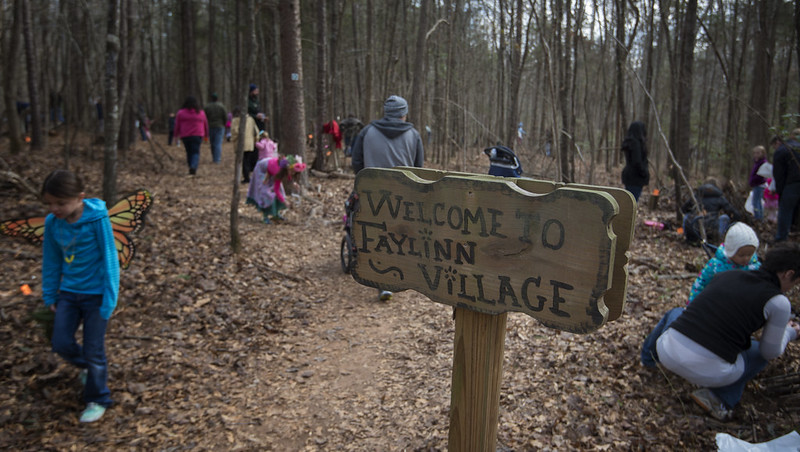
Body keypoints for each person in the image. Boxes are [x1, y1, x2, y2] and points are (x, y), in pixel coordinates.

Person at [640, 242, 800, 421]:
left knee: (677, 312)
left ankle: (648, 358)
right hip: (710, 373)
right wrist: (790, 332)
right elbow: (770, 351)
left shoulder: (727, 275)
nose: (791, 288)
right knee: (758, 352)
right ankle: (720, 398)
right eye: (795, 283)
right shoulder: (778, 302)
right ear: (789, 274)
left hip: (667, 353)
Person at [40, 170, 120, 423]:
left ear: (80, 198)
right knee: (60, 342)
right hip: (69, 294)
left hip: (96, 295)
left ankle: (98, 398)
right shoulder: (53, 223)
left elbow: (110, 257)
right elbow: (51, 260)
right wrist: (50, 293)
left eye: (61, 203)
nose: (55, 208)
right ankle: (87, 367)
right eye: (49, 203)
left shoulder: (97, 219)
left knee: (95, 350)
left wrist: (110, 297)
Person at [351, 95, 424, 300]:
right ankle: (396, 277)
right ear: (404, 113)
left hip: (371, 194)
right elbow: (420, 169)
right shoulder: (414, 135)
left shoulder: (367, 132)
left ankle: (383, 282)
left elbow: (356, 161)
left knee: (376, 235)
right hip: (404, 195)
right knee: (398, 235)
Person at [686, 222, 760, 304]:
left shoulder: (755, 267)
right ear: (731, 251)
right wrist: (693, 304)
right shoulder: (715, 266)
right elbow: (700, 286)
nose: (746, 258)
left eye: (750, 254)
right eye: (741, 255)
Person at [246, 155, 306, 223]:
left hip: (271, 170)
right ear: (288, 168)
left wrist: (293, 183)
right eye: (292, 171)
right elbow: (276, 190)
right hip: (262, 170)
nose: (293, 174)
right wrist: (284, 201)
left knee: (281, 192)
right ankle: (265, 216)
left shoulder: (284, 168)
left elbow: (288, 175)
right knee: (266, 194)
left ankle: (276, 214)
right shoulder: (278, 170)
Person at [681, 178, 742, 244]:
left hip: (695, 228)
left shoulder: (696, 195)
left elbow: (684, 209)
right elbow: (732, 211)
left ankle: (688, 238)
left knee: (686, 217)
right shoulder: (719, 197)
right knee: (725, 217)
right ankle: (718, 238)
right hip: (713, 229)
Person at [771, 135, 800, 242]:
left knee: (785, 210)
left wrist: (780, 191)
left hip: (791, 184)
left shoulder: (782, 150)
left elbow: (778, 175)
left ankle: (781, 239)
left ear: (778, 142)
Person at [174, 96, 209, 176]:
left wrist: (176, 135)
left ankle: (191, 166)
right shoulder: (201, 113)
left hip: (185, 135)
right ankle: (193, 166)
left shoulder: (181, 113)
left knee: (189, 151)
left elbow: (177, 125)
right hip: (198, 135)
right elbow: (205, 124)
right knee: (195, 151)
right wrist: (206, 135)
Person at [621, 121, 650, 202]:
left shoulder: (630, 143)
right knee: (632, 203)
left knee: (630, 202)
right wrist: (644, 173)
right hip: (635, 178)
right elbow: (636, 162)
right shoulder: (635, 143)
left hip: (631, 177)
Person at [230, 107, 259, 183]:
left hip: (240, 143)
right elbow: (256, 131)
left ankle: (246, 177)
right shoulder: (250, 119)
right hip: (250, 143)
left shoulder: (236, 120)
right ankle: (248, 176)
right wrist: (256, 139)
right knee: (247, 160)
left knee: (243, 161)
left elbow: (234, 131)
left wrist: (233, 139)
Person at [204, 93, 228, 164]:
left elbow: (205, 117)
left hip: (211, 126)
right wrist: (224, 124)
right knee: (218, 143)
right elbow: (225, 116)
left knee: (213, 142)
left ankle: (215, 157)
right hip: (220, 126)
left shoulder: (207, 107)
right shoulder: (221, 106)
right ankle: (217, 159)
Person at [748, 145, 768, 221]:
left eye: (758, 153)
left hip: (759, 184)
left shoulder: (762, 163)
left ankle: (758, 217)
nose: (756, 155)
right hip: (756, 184)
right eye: (755, 153)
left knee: (756, 202)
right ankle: (759, 217)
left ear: (762, 153)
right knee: (757, 201)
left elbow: (760, 175)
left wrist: (753, 180)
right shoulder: (757, 162)